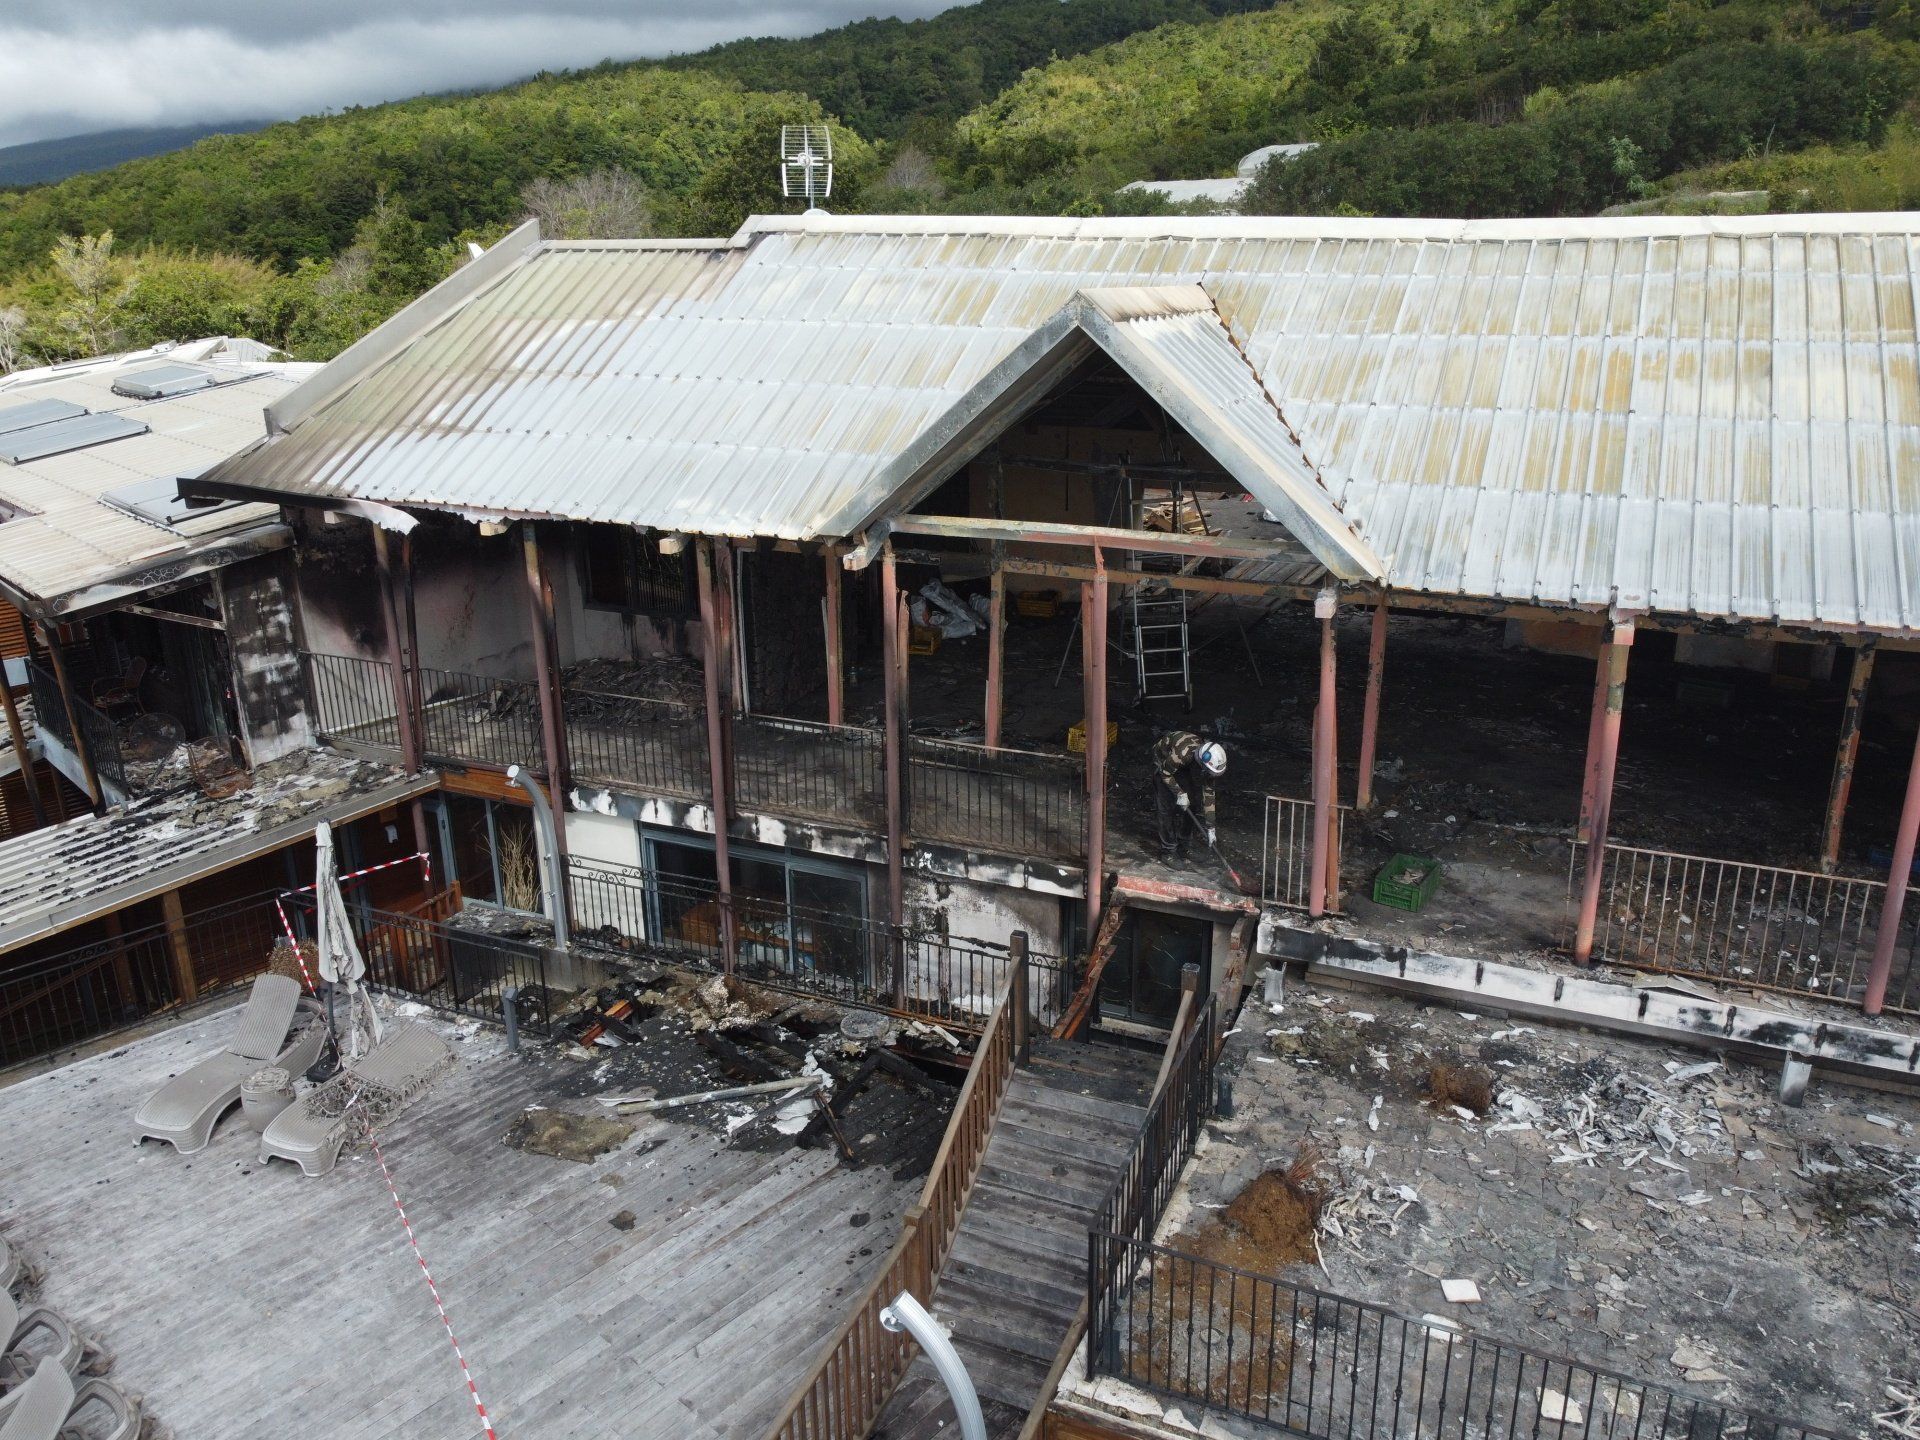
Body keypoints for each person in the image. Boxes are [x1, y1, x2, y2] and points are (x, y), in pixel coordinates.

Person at [1152, 730, 1226, 862]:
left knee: (1192, 804)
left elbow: (1209, 794)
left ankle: (1183, 846)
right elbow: (1165, 773)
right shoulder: (1183, 754)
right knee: (1166, 808)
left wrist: (1211, 827)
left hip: (1181, 766)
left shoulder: (1206, 763)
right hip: (1164, 763)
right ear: (1203, 764)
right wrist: (1179, 793)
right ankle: (1168, 851)